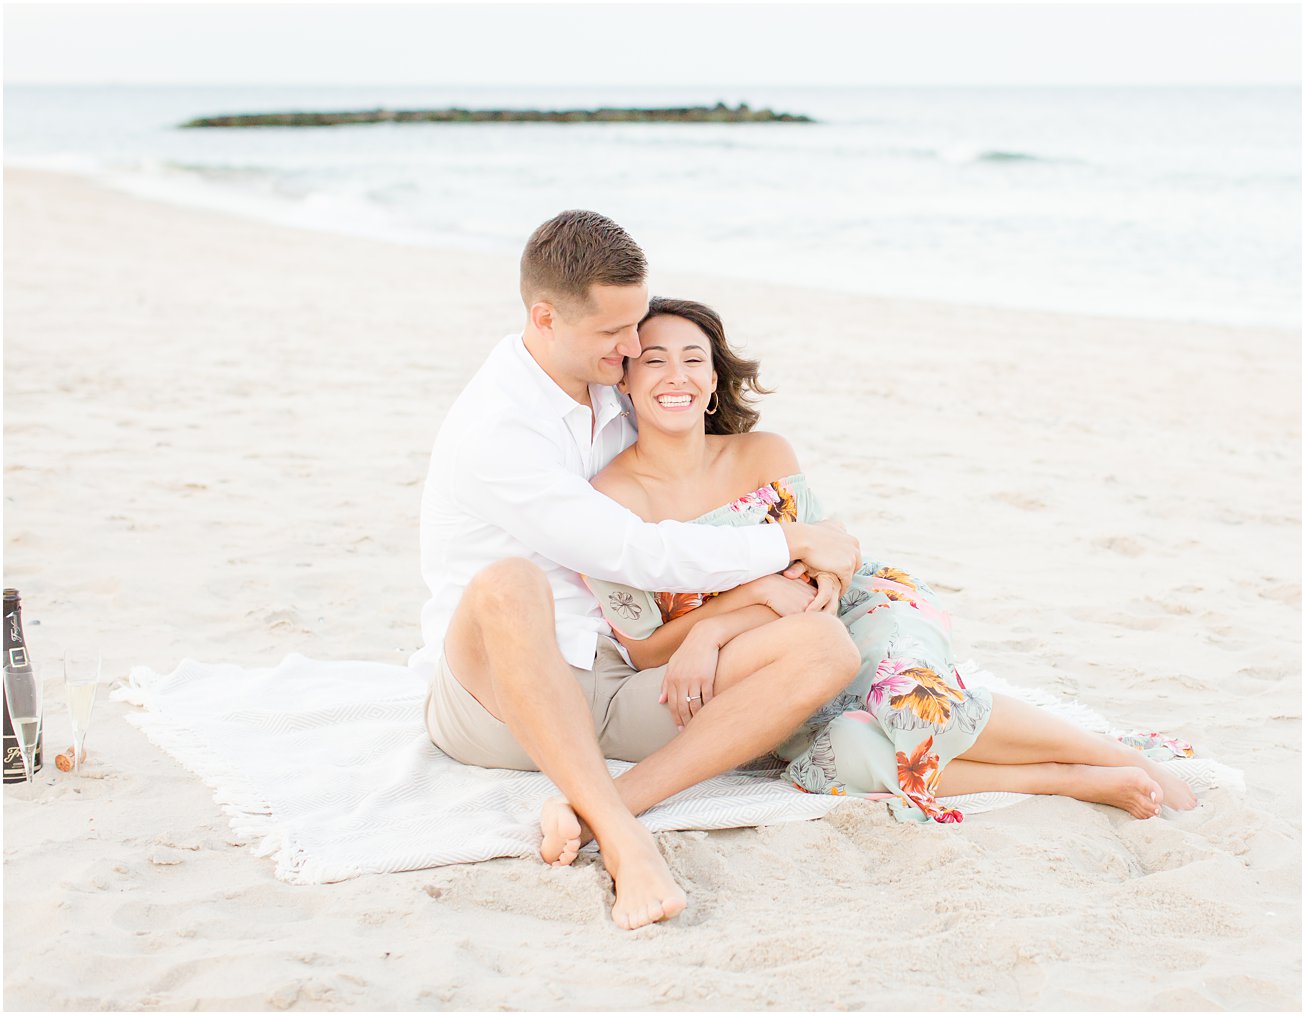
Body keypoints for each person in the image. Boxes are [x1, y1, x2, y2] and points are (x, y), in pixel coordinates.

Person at [584, 298, 1201, 824]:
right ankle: (1065, 778)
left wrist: (718, 626)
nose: (676, 376)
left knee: (906, 700)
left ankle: (1113, 757)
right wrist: (744, 608)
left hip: (858, 607)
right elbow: (643, 649)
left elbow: (822, 573)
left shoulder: (762, 454)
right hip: (775, 659)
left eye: (694, 360)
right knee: (847, 754)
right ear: (626, 382)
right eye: (655, 360)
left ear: (715, 379)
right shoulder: (609, 499)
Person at [414, 211, 864, 930]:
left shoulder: (608, 388)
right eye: (614, 333)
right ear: (545, 317)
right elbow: (632, 548)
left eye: (636, 326)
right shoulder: (496, 429)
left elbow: (706, 487)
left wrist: (814, 537)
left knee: (826, 649)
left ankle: (602, 808)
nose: (632, 347)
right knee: (509, 582)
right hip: (497, 697)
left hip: (621, 680)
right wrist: (787, 543)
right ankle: (626, 842)